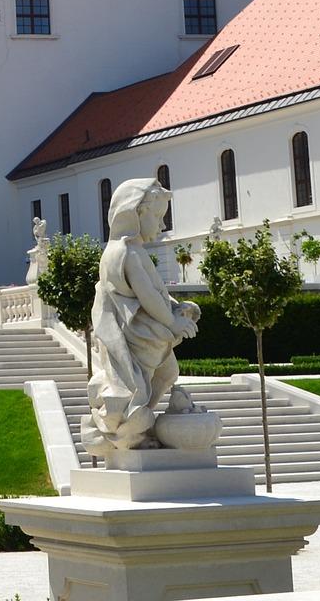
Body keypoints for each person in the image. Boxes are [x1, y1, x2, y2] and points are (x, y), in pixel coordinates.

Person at [80, 178, 200, 459]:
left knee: (164, 375)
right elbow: (147, 296)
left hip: (140, 331)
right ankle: (132, 431)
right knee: (141, 387)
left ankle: (140, 425)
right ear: (136, 213)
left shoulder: (130, 251)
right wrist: (172, 322)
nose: (161, 226)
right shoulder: (126, 253)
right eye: (157, 217)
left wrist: (176, 307)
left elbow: (156, 292)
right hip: (138, 336)